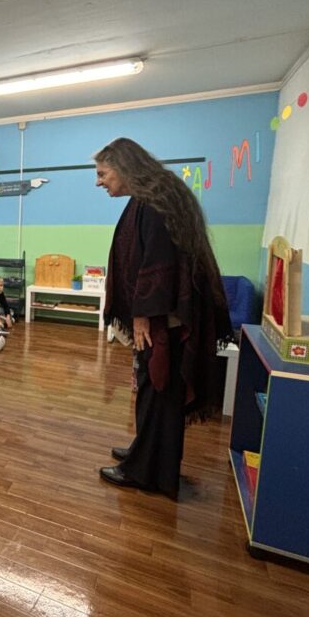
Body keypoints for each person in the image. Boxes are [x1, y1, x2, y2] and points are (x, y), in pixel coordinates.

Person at [93, 138, 232, 500]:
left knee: (158, 390)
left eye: (102, 173)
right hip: (165, 316)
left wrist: (143, 316)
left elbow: (155, 264)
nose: (99, 181)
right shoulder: (159, 193)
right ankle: (149, 453)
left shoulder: (154, 202)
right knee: (155, 393)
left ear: (123, 167)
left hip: (162, 320)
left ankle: (147, 473)